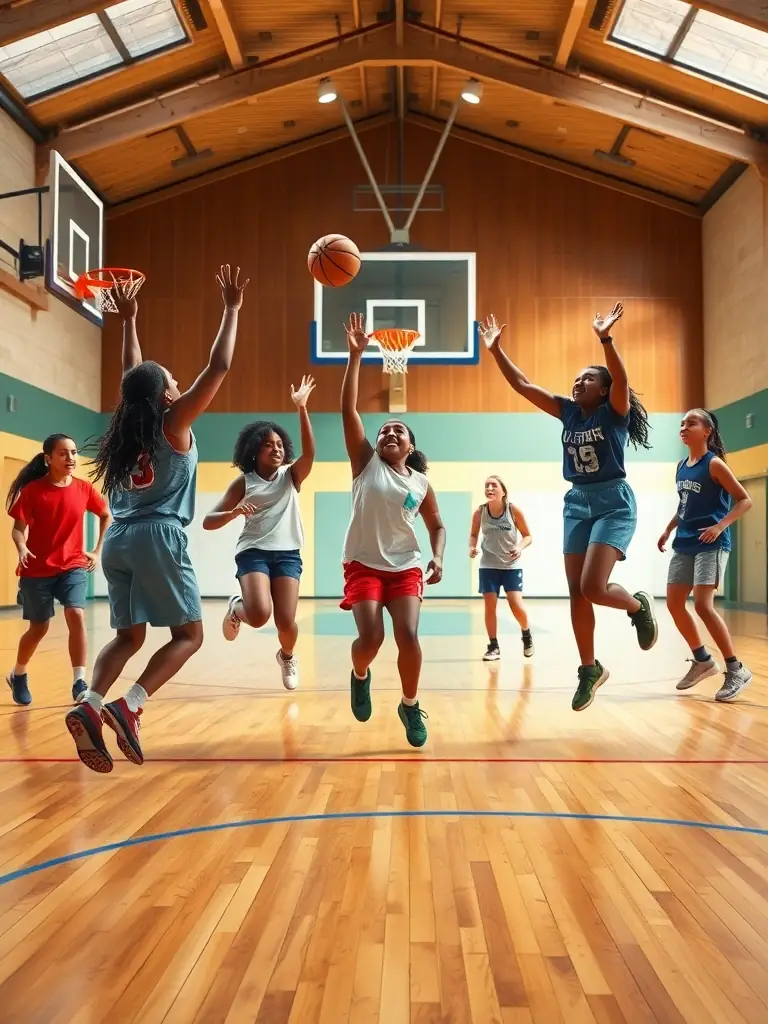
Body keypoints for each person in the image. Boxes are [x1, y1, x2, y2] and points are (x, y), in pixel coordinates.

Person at [65, 265, 248, 773]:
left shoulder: (126, 430)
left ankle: (92, 702)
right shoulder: (174, 423)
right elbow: (218, 368)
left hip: (119, 540)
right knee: (190, 636)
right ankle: (131, 705)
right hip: (157, 537)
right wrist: (231, 309)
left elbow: (133, 375)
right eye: (171, 379)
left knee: (129, 635)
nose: (176, 380)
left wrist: (130, 321)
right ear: (168, 395)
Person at [481, 304, 657, 712]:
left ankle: (636, 605)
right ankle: (589, 668)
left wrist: (605, 339)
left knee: (594, 588)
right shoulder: (569, 412)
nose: (579, 382)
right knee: (576, 593)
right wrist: (495, 352)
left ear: (604, 388)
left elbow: (623, 379)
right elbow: (524, 385)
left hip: (613, 501)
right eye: (577, 378)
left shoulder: (614, 413)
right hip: (577, 501)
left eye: (589, 378)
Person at [340, 313, 446, 747]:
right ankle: (359, 674)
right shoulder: (365, 465)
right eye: (383, 429)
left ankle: (409, 703)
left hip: (406, 566)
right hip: (363, 564)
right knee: (371, 637)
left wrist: (438, 556)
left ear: (410, 446)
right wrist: (355, 356)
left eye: (397, 429)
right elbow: (348, 409)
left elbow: (436, 523)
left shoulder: (420, 482)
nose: (388, 432)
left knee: (408, 636)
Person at [203, 376, 316, 689]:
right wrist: (234, 512)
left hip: (288, 552)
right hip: (253, 551)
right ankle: (237, 608)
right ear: (254, 450)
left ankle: (287, 656)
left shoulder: (291, 476)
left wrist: (302, 408)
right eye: (269, 444)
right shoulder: (244, 483)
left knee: (286, 622)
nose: (276, 449)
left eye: (280, 444)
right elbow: (208, 521)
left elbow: (309, 454)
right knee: (260, 614)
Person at [6, 433, 111, 706]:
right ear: (48, 458)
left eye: (74, 452)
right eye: (63, 453)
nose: (71, 458)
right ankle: (19, 673)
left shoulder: (84, 489)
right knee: (38, 628)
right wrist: (21, 547)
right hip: (37, 568)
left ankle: (79, 681)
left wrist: (97, 551)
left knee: (75, 613)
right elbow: (18, 530)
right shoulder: (32, 492)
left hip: (73, 564)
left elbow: (105, 514)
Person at [658, 409, 752, 700]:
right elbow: (685, 504)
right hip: (684, 542)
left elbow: (744, 500)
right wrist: (667, 529)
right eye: (682, 423)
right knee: (674, 603)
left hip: (712, 542)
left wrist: (720, 525)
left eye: (692, 423)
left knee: (702, 604)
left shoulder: (715, 465)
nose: (684, 427)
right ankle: (702, 660)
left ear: (707, 431)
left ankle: (736, 669)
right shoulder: (681, 466)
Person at [469, 475, 533, 661]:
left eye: (493, 485)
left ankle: (526, 633)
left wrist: (519, 548)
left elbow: (528, 536)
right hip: (488, 564)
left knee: (516, 606)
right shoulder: (480, 512)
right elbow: (473, 535)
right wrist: (471, 547)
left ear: (502, 491)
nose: (489, 488)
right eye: (487, 485)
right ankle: (493, 646)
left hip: (511, 566)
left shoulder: (513, 511)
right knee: (490, 606)